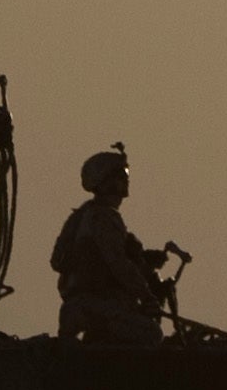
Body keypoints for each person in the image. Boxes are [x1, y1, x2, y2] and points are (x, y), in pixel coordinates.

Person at [52, 146, 168, 343]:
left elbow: (59, 261)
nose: (126, 180)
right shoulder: (104, 217)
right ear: (105, 181)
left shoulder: (81, 215)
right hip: (96, 306)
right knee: (152, 334)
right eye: (122, 175)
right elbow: (118, 264)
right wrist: (147, 297)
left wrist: (141, 259)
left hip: (77, 306)